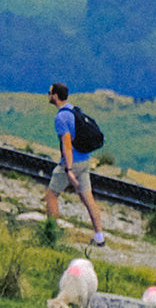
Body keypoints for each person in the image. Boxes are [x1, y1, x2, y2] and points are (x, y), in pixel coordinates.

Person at [41, 81, 108, 246]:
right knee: (88, 198)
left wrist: (68, 169)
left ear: (55, 96)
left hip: (72, 163)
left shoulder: (61, 117)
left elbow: (67, 145)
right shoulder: (74, 110)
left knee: (51, 196)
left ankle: (51, 234)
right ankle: (99, 236)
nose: (48, 95)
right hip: (85, 161)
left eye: (50, 92)